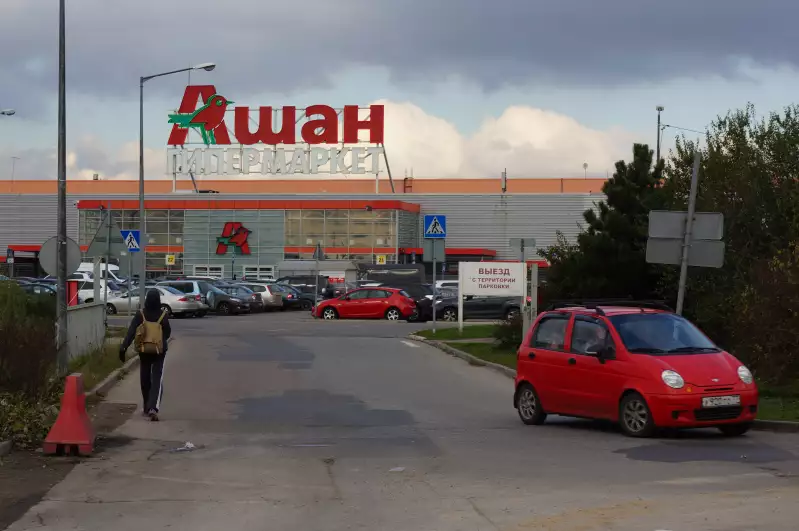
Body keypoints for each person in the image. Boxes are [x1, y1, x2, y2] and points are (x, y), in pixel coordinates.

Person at [119, 289, 172, 421]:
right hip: (159, 351)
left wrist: (123, 347)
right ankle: (153, 407)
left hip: (144, 350)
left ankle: (146, 406)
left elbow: (131, 332)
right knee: (157, 378)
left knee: (145, 377)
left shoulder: (140, 314)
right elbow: (168, 332)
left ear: (147, 299)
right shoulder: (163, 314)